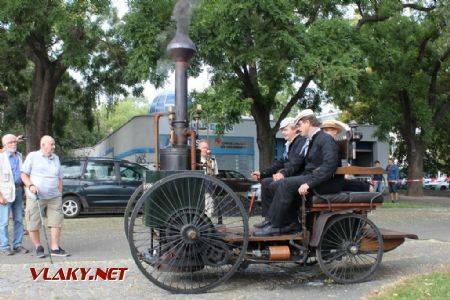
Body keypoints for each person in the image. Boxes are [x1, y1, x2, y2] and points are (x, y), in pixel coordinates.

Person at [254, 109, 341, 237]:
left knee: (284, 184)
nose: (298, 129)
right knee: (273, 184)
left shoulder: (325, 139)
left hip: (324, 182)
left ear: (307, 122)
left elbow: (330, 165)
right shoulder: (313, 139)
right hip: (312, 177)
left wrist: (309, 184)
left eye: (299, 125)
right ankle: (288, 223)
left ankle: (277, 225)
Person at [251, 117, 305, 228]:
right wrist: (263, 173)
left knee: (273, 184)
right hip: (291, 175)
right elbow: (280, 163)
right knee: (265, 182)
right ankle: (269, 219)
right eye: (282, 130)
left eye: (285, 130)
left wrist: (283, 174)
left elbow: (296, 164)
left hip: (299, 177)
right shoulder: (291, 144)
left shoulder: (300, 142)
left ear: (295, 129)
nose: (283, 132)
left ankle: (280, 221)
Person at [21, 135, 69, 258]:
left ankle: (54, 247)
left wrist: (59, 191)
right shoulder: (33, 156)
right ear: (43, 145)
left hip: (54, 196)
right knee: (32, 223)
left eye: (54, 144)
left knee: (56, 222)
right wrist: (31, 186)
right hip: (35, 196)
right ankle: (38, 246)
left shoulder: (56, 158)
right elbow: (23, 174)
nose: (53, 146)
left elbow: (59, 177)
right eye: (51, 144)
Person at [320, 120, 373, 192]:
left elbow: (350, 132)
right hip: (329, 179)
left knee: (366, 186)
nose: (323, 133)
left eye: (326, 130)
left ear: (335, 132)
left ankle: (370, 192)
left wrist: (336, 121)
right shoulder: (324, 145)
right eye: (322, 131)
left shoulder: (332, 145)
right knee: (365, 186)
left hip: (333, 179)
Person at [0, 134, 28, 255]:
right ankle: (4, 246)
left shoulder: (19, 156)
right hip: (5, 192)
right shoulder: (1, 157)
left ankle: (18, 244)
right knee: (4, 221)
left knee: (18, 220)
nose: (13, 144)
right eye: (10, 142)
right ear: (4, 145)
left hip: (18, 190)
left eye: (14, 142)